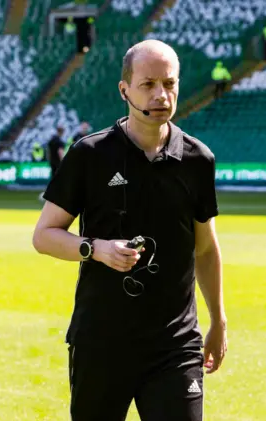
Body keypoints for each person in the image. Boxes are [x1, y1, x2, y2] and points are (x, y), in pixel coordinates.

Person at [32, 39, 227, 421]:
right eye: (148, 84)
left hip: (175, 346)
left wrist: (218, 320)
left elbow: (205, 249)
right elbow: (44, 235)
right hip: (101, 342)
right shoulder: (90, 154)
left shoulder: (198, 159)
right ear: (124, 90)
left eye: (169, 84)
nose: (161, 95)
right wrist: (96, 249)